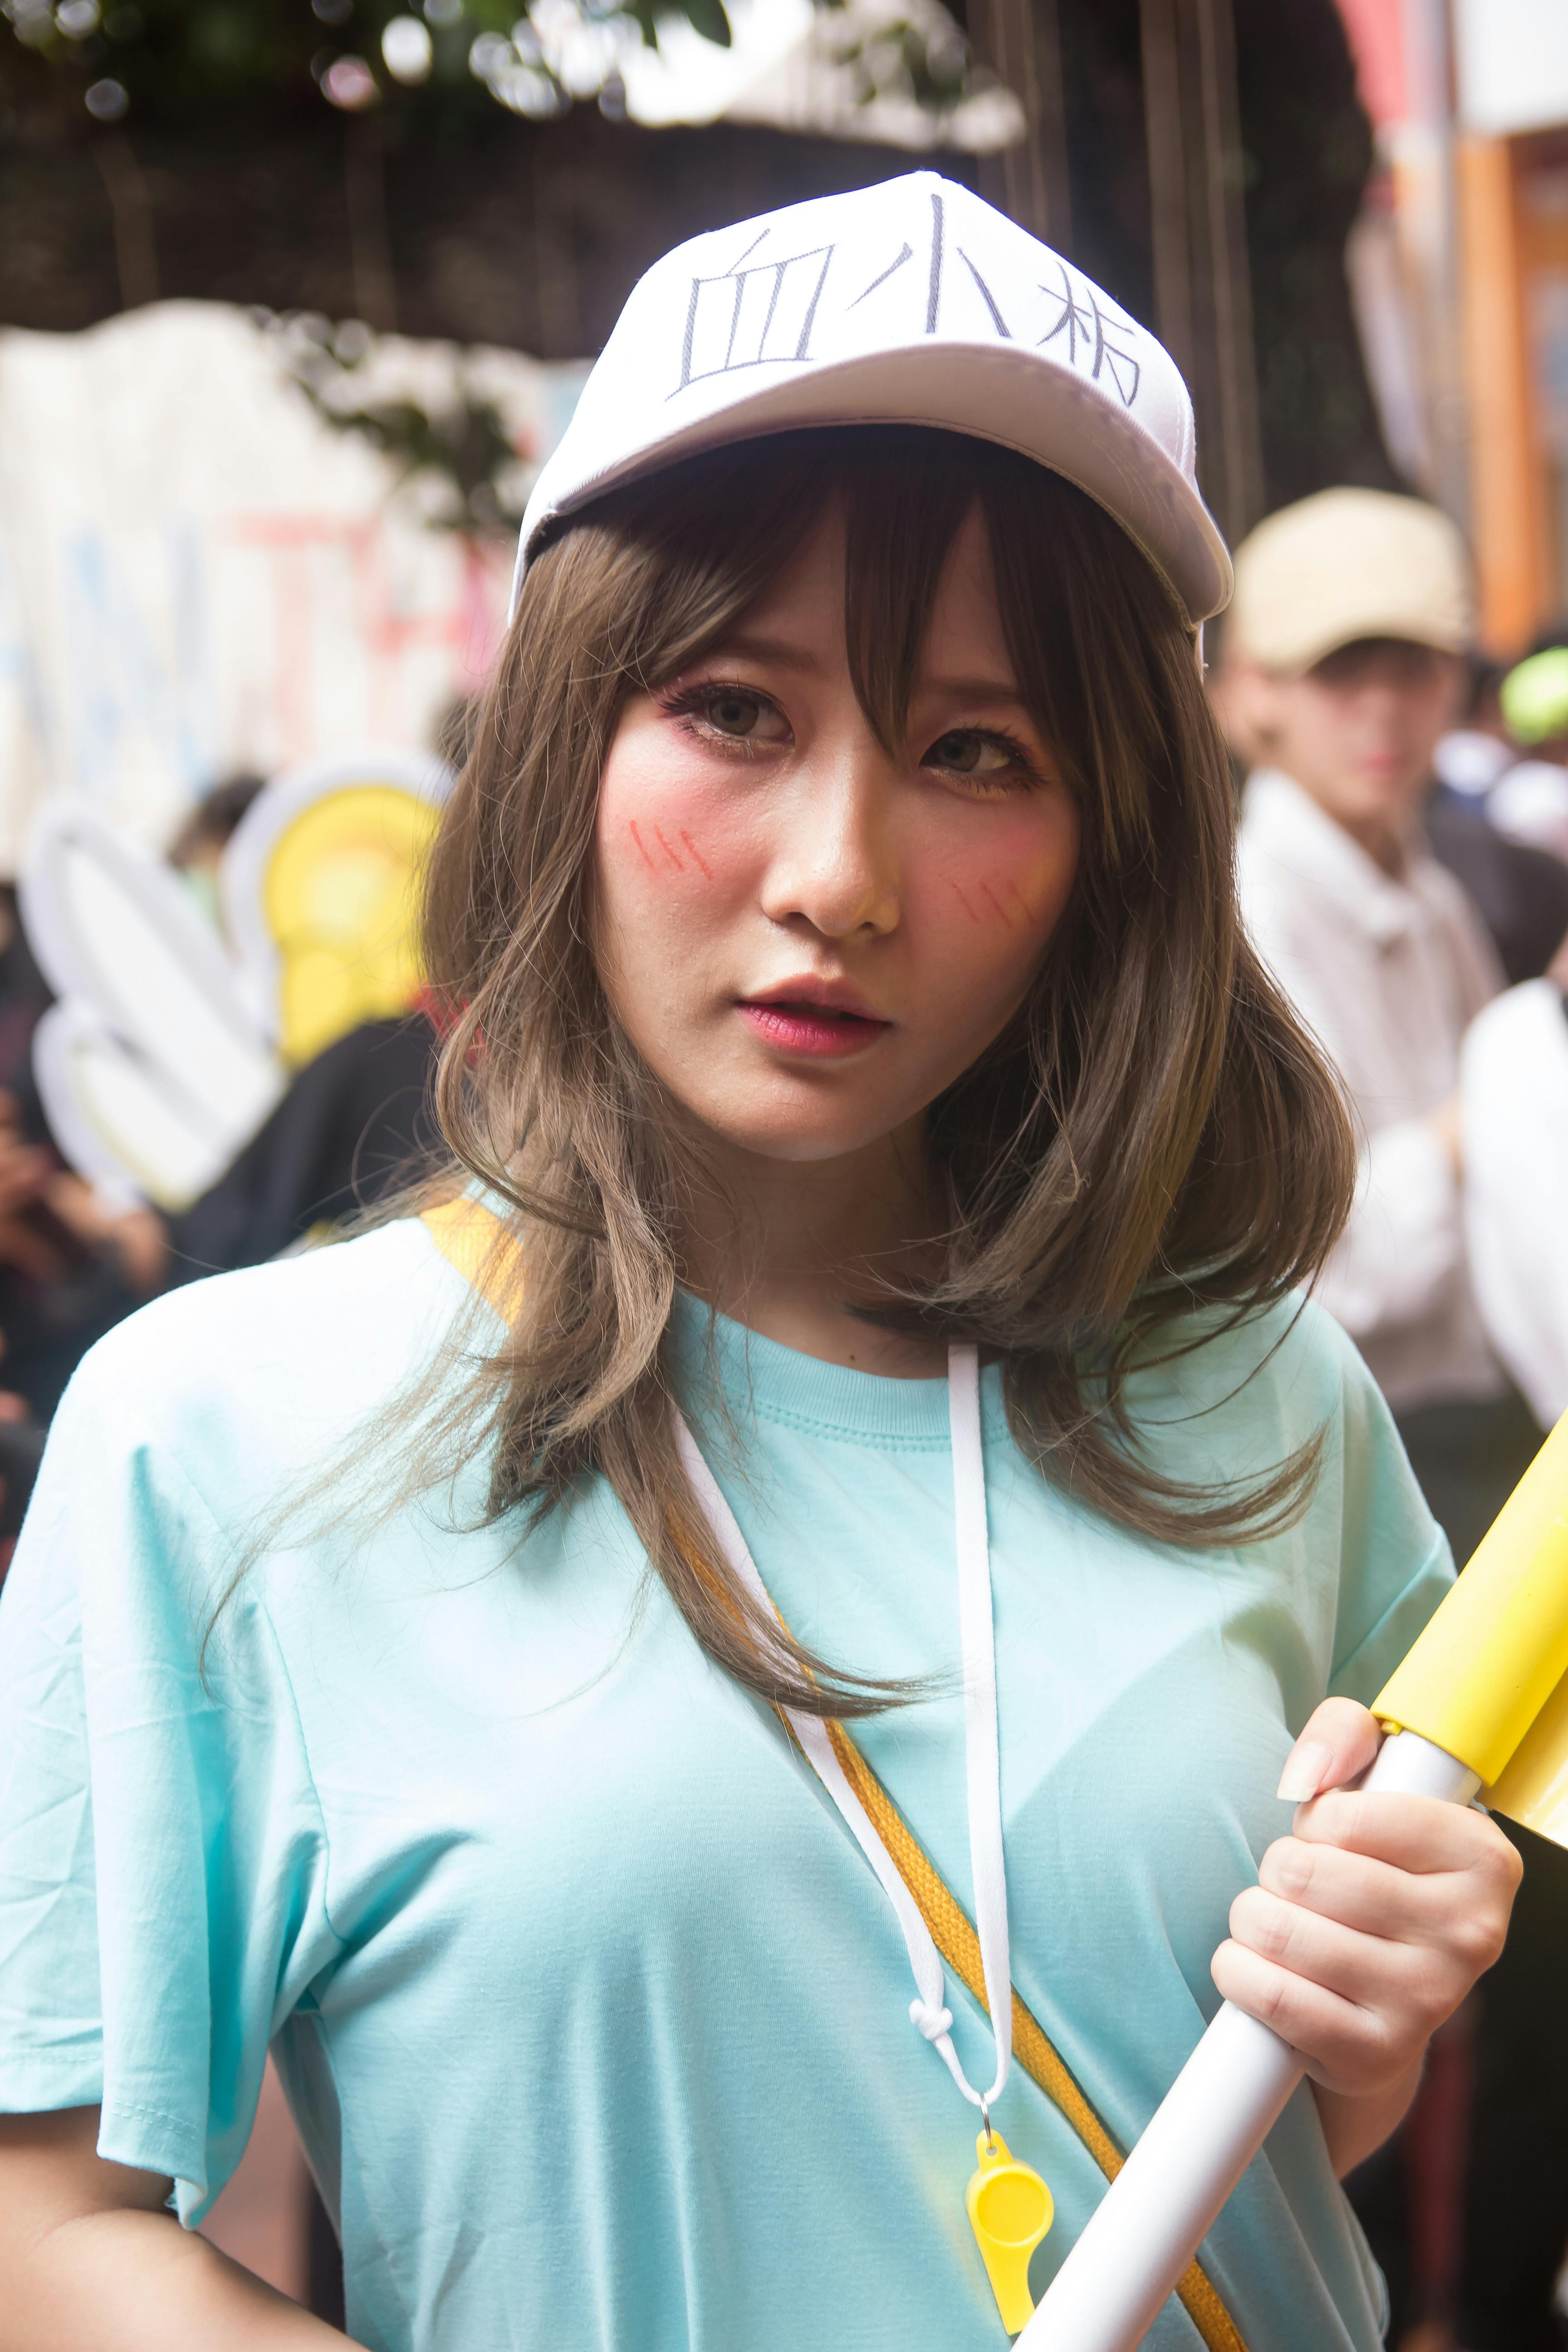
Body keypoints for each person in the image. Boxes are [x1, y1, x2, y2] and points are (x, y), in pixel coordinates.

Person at [0, 176, 1520, 2352]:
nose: (843, 875)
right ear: (565, 738)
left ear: (1109, 845)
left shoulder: (1269, 1396)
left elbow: (1265, 2142)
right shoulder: (220, 1438)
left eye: (977, 751)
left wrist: (1368, 2031)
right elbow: (40, 2229)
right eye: (734, 708)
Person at [1223, 491, 1568, 2352]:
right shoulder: (1244, 909)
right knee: (1403, 1926)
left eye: (1411, 661)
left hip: (1489, 1442)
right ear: (1252, 695)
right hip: (1351, 1450)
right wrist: (1482, 1125)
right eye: (1339, 667)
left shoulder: (1436, 890)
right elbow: (1315, 1262)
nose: (1382, 703)